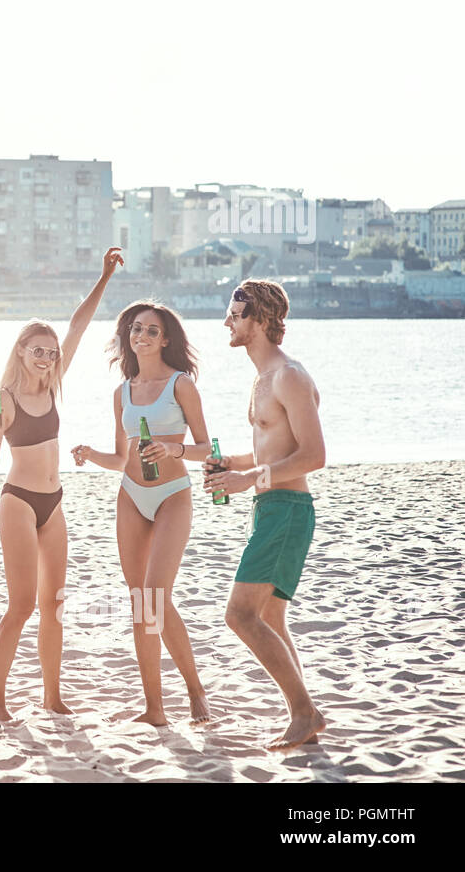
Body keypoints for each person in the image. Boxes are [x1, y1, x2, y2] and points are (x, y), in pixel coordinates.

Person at [0, 247, 124, 722]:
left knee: (54, 605)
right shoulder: (3, 396)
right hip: (18, 502)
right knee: (20, 604)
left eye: (50, 351)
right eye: (36, 350)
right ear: (20, 351)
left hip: (54, 504)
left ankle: (51, 695)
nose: (45, 357)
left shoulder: (54, 381)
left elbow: (78, 325)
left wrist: (103, 277)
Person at [71, 300, 213, 725]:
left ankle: (194, 689)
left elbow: (206, 448)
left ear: (165, 339)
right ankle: (154, 708)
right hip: (131, 494)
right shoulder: (122, 392)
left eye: (152, 330)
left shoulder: (181, 385)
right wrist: (90, 453)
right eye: (136, 329)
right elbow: (121, 457)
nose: (142, 336)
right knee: (140, 603)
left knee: (156, 595)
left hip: (172, 494)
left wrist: (175, 449)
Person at [203, 280, 326, 750]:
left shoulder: (289, 376)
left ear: (260, 321)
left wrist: (247, 479)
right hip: (270, 506)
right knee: (271, 618)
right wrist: (232, 465)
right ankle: (305, 715)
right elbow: (272, 447)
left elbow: (314, 455)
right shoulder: (262, 378)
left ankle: (304, 713)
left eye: (235, 315)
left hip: (287, 509)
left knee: (239, 615)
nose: (227, 322)